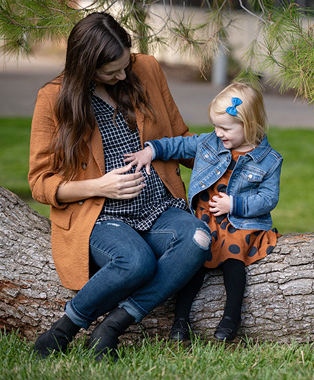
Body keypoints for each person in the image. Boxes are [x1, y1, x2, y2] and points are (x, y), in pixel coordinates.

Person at [28, 12, 211, 360]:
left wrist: (227, 153)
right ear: (85, 66)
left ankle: (112, 326)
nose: (123, 75)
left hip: (159, 206)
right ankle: (62, 330)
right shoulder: (53, 98)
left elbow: (179, 137)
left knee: (198, 238)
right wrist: (100, 185)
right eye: (111, 71)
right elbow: (40, 182)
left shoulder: (147, 70)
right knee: (135, 262)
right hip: (100, 214)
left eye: (125, 64)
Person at [125, 82, 283, 341]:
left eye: (225, 128)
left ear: (249, 124)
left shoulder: (269, 160)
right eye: (215, 126)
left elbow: (268, 199)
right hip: (205, 218)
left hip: (238, 222)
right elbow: (179, 146)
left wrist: (235, 204)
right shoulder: (209, 143)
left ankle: (231, 318)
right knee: (193, 263)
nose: (218, 133)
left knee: (234, 260)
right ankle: (180, 321)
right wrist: (151, 150)